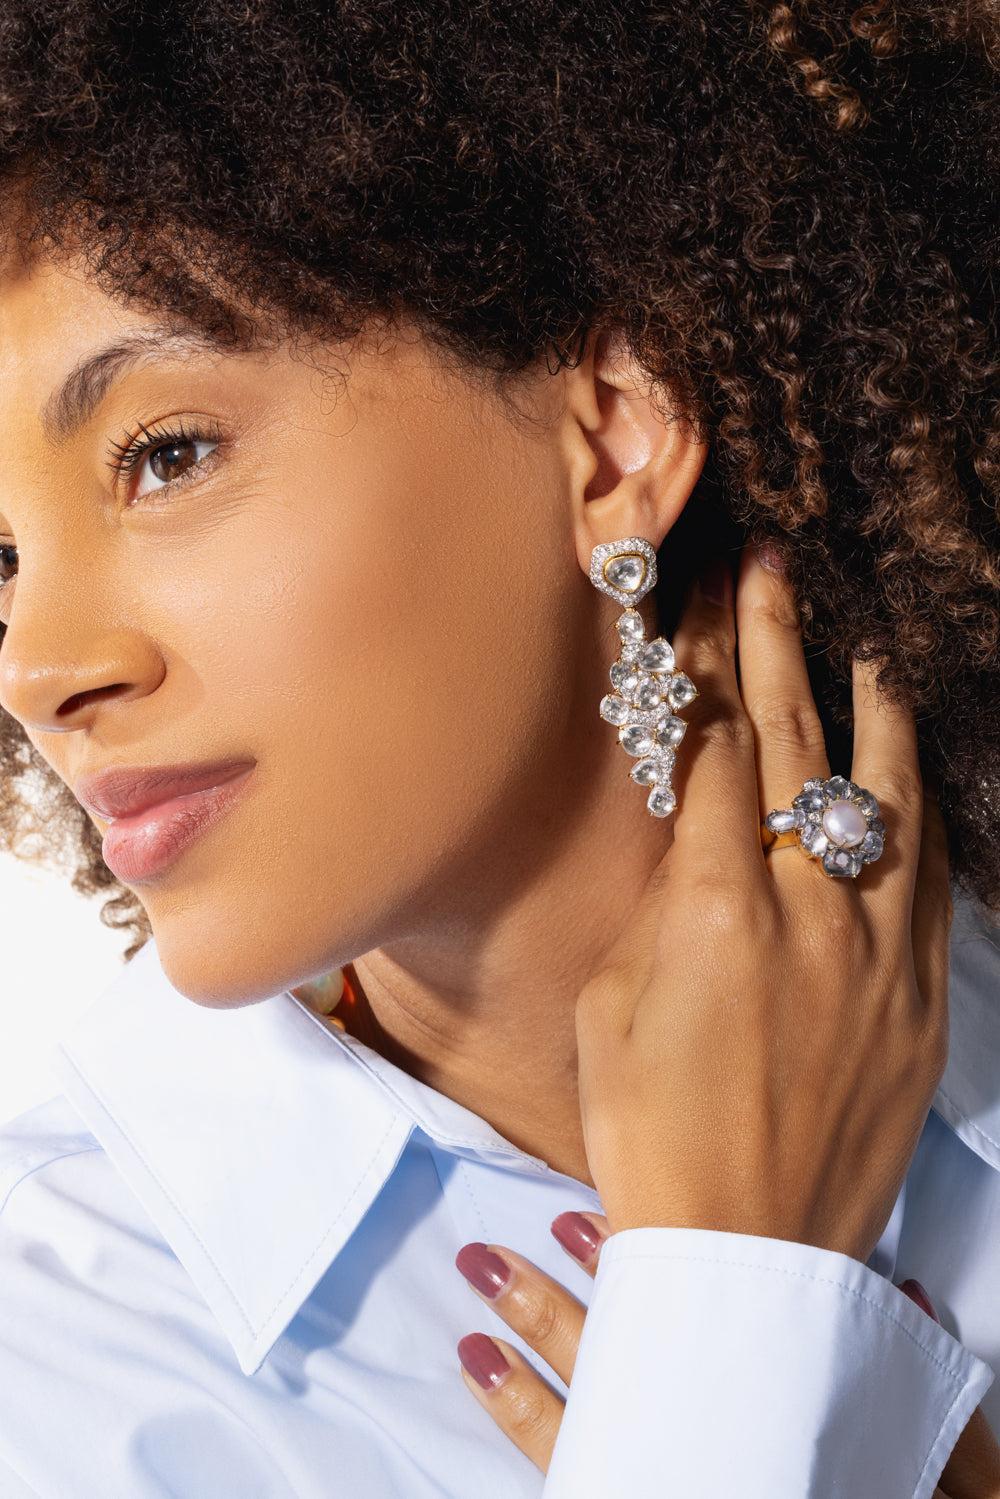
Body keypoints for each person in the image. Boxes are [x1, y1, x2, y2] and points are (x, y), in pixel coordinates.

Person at [0, 3, 997, 1495]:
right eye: (2, 558)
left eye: (168, 455)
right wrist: (735, 1320)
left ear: (612, 436)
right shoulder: (53, 1366)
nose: (35, 671)